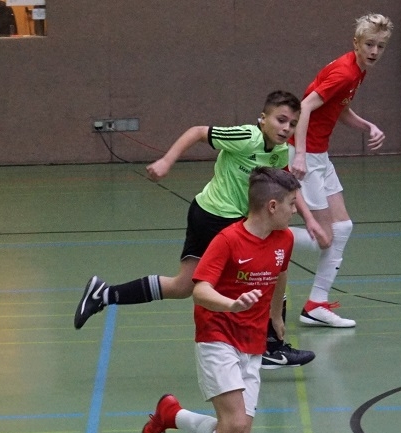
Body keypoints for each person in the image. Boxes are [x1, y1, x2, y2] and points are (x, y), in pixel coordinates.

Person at [74, 91, 321, 369]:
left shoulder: (279, 152)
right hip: (217, 217)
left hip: (213, 214)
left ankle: (104, 294)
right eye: (281, 120)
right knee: (268, 272)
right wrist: (166, 161)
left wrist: (310, 219)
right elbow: (197, 132)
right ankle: (271, 347)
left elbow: (285, 187)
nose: (286, 128)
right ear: (263, 119)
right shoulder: (246, 137)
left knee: (183, 286)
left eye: (293, 124)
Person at [139, 167, 300, 433]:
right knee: (234, 424)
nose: (296, 210)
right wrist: (232, 305)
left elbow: (281, 273)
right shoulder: (227, 241)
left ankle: (171, 415)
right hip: (217, 334)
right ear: (272, 206)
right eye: (292, 203)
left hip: (252, 341)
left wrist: (276, 314)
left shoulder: (284, 238)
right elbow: (199, 290)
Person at [288, 13, 392, 329]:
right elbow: (305, 106)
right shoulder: (345, 73)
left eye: (380, 46)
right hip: (307, 155)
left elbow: (338, 108)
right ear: (356, 43)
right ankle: (261, 235)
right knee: (325, 237)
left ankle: (315, 305)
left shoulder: (357, 70)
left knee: (342, 227)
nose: (374, 51)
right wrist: (300, 155)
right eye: (369, 44)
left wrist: (367, 126)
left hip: (320, 155)